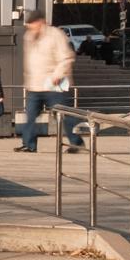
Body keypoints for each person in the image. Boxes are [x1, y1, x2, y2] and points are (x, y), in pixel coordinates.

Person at [17, 11, 84, 153]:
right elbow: (29, 61)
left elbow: (66, 57)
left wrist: (58, 74)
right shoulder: (28, 36)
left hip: (54, 83)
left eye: (32, 24)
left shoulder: (55, 34)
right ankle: (29, 144)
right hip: (35, 84)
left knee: (63, 115)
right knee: (30, 116)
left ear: (40, 21)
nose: (30, 27)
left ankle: (76, 142)